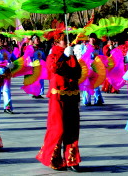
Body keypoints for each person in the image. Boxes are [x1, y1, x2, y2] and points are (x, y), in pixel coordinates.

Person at [36, 34, 81, 172]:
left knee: (72, 128)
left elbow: (78, 73)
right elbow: (54, 68)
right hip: (58, 95)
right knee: (59, 127)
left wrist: (73, 57)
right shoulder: (52, 55)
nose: (68, 41)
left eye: (69, 39)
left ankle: (71, 160)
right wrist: (64, 57)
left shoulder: (71, 54)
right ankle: (53, 158)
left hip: (72, 94)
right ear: (56, 41)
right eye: (64, 39)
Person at [0, 34, 17, 113]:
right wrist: (6, 63)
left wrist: (17, 62)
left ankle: (7, 107)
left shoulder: (7, 49)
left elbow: (14, 58)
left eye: (3, 39)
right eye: (0, 39)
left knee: (6, 89)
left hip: (6, 72)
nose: (2, 41)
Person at [81, 33, 105, 106]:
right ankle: (87, 100)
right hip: (88, 68)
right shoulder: (85, 47)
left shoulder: (98, 47)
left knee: (96, 84)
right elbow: (84, 56)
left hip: (96, 68)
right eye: (92, 38)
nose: (93, 39)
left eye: (94, 38)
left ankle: (97, 100)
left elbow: (102, 56)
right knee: (87, 84)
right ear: (89, 38)